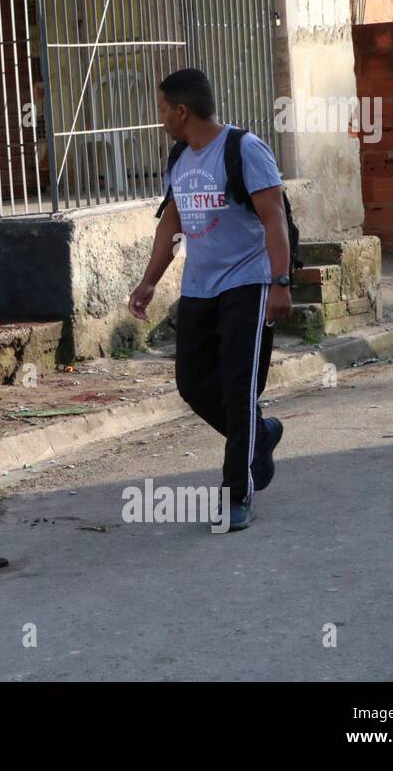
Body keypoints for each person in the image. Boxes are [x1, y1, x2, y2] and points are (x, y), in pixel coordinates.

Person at [128, 69, 292, 531]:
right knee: (193, 384)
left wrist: (280, 282)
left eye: (162, 110)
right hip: (199, 287)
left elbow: (274, 217)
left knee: (239, 389)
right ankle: (260, 436)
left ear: (181, 111)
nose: (160, 119)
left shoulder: (244, 149)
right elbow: (171, 224)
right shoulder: (180, 155)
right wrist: (149, 282)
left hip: (247, 283)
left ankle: (236, 493)